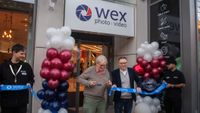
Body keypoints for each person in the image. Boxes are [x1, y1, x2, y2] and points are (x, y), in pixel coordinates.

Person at [0, 43, 35, 113]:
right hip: (6, 102)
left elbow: (31, 78)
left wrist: (29, 83)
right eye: (21, 54)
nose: (24, 56)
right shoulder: (3, 66)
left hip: (22, 103)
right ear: (14, 52)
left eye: (24, 54)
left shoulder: (26, 66)